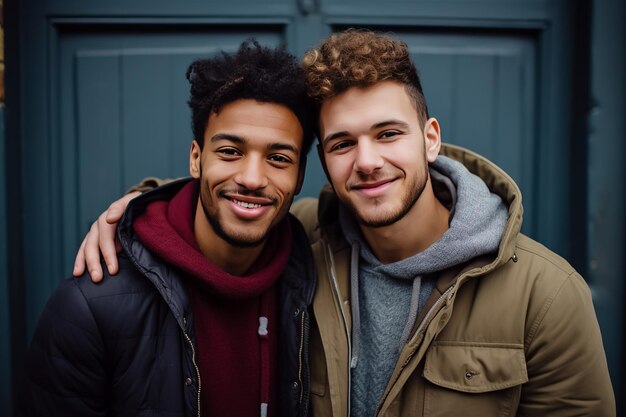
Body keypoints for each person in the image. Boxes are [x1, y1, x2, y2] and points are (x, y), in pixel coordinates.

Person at [74, 29, 616, 416]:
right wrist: (135, 210)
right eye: (342, 143)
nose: (367, 161)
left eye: (387, 134)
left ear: (430, 137)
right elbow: (228, 199)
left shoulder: (545, 294)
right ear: (324, 165)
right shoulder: (300, 239)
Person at [21, 40, 317, 417]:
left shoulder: (314, 277)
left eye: (278, 158)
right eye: (230, 151)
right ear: (196, 158)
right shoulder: (88, 308)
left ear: (299, 174)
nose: (252, 178)